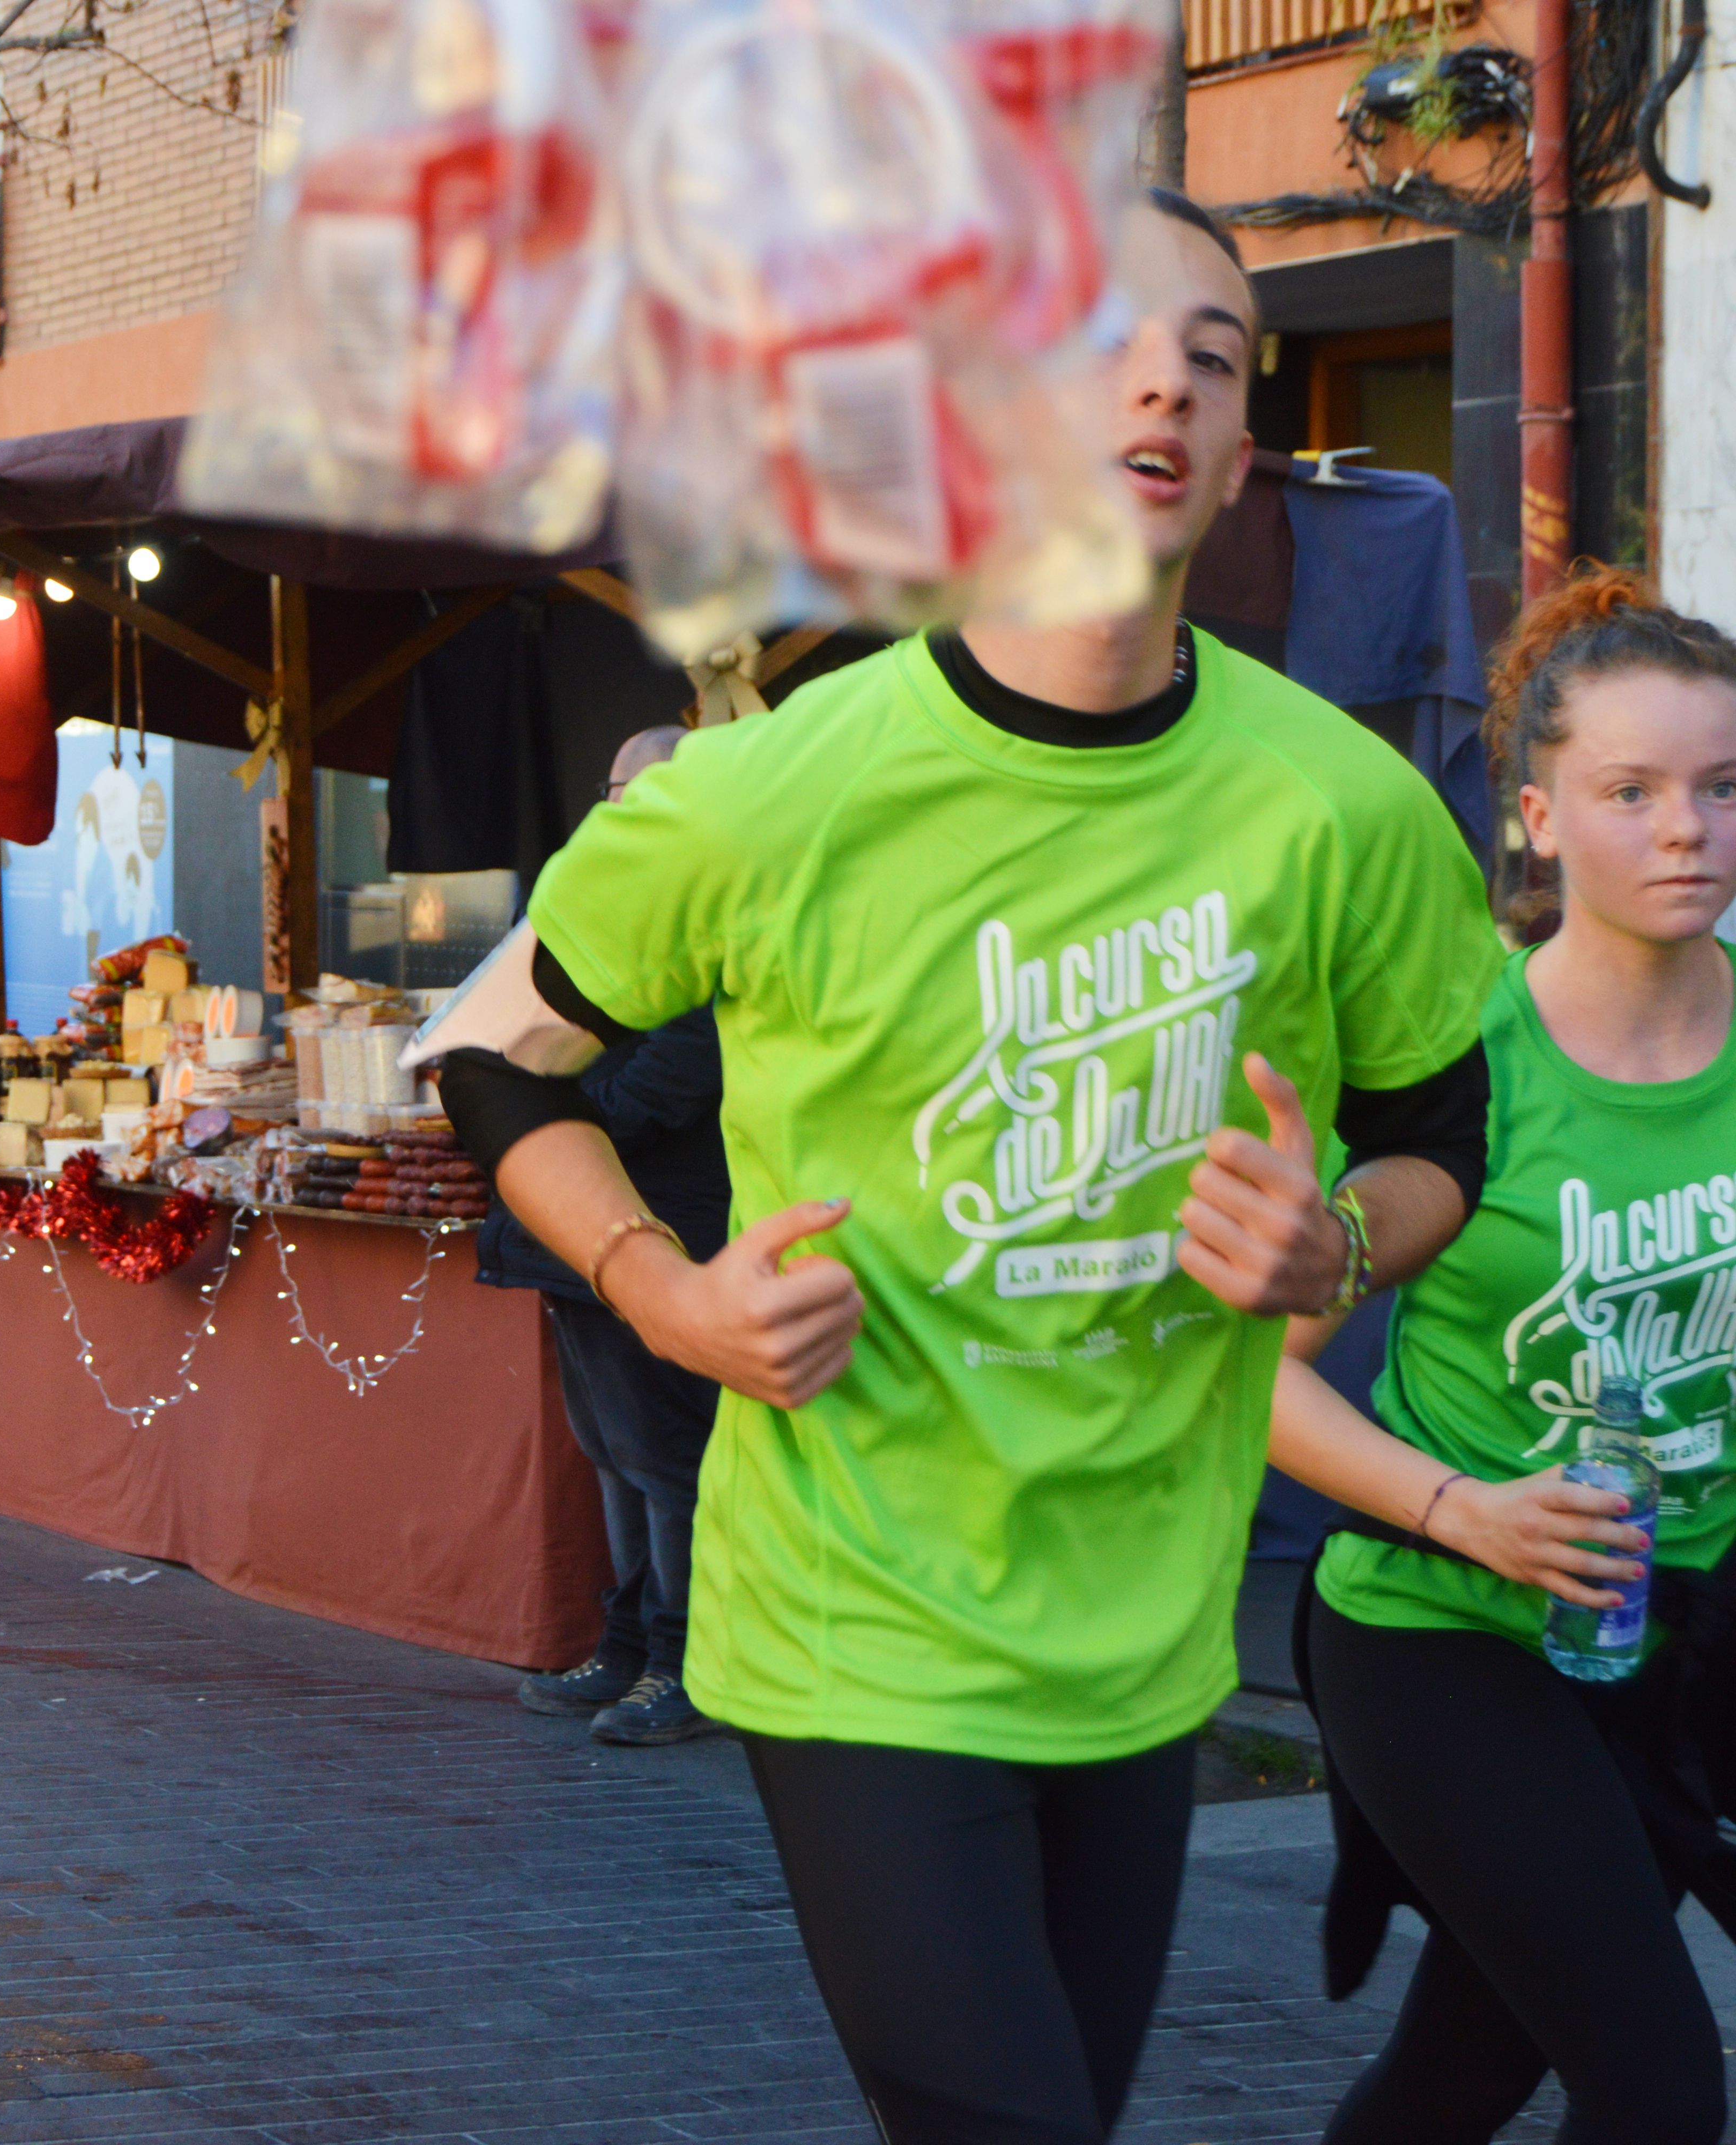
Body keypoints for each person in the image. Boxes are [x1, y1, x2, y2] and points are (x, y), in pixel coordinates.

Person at [434, 190, 1503, 2145]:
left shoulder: (1337, 806)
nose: (1161, 382)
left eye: (1210, 357)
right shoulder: (768, 790)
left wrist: (1334, 1243)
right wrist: (663, 1289)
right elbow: (496, 1065)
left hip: (1142, 1621)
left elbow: (1442, 1136)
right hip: (852, 1607)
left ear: (1237, 452)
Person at [1268, 570, 1736, 2145]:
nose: (1688, 828)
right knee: (1658, 2089)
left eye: (1722, 786)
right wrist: (1463, 1505)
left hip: (1677, 1637)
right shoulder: (1449, 1057)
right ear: (1535, 815)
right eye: (1632, 791)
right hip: (1439, 1629)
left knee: (1462, 2071)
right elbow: (1249, 1380)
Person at [486, 723, 730, 1747]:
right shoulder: (578, 909)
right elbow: (499, 1044)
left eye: (642, 789)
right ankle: (627, 1646)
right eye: (612, 786)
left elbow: (659, 1085)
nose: (617, 806)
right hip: (565, 1239)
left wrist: (547, 1091)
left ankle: (687, 1668)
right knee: (609, 1454)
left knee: (665, 1459)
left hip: (659, 1233)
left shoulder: (712, 914)